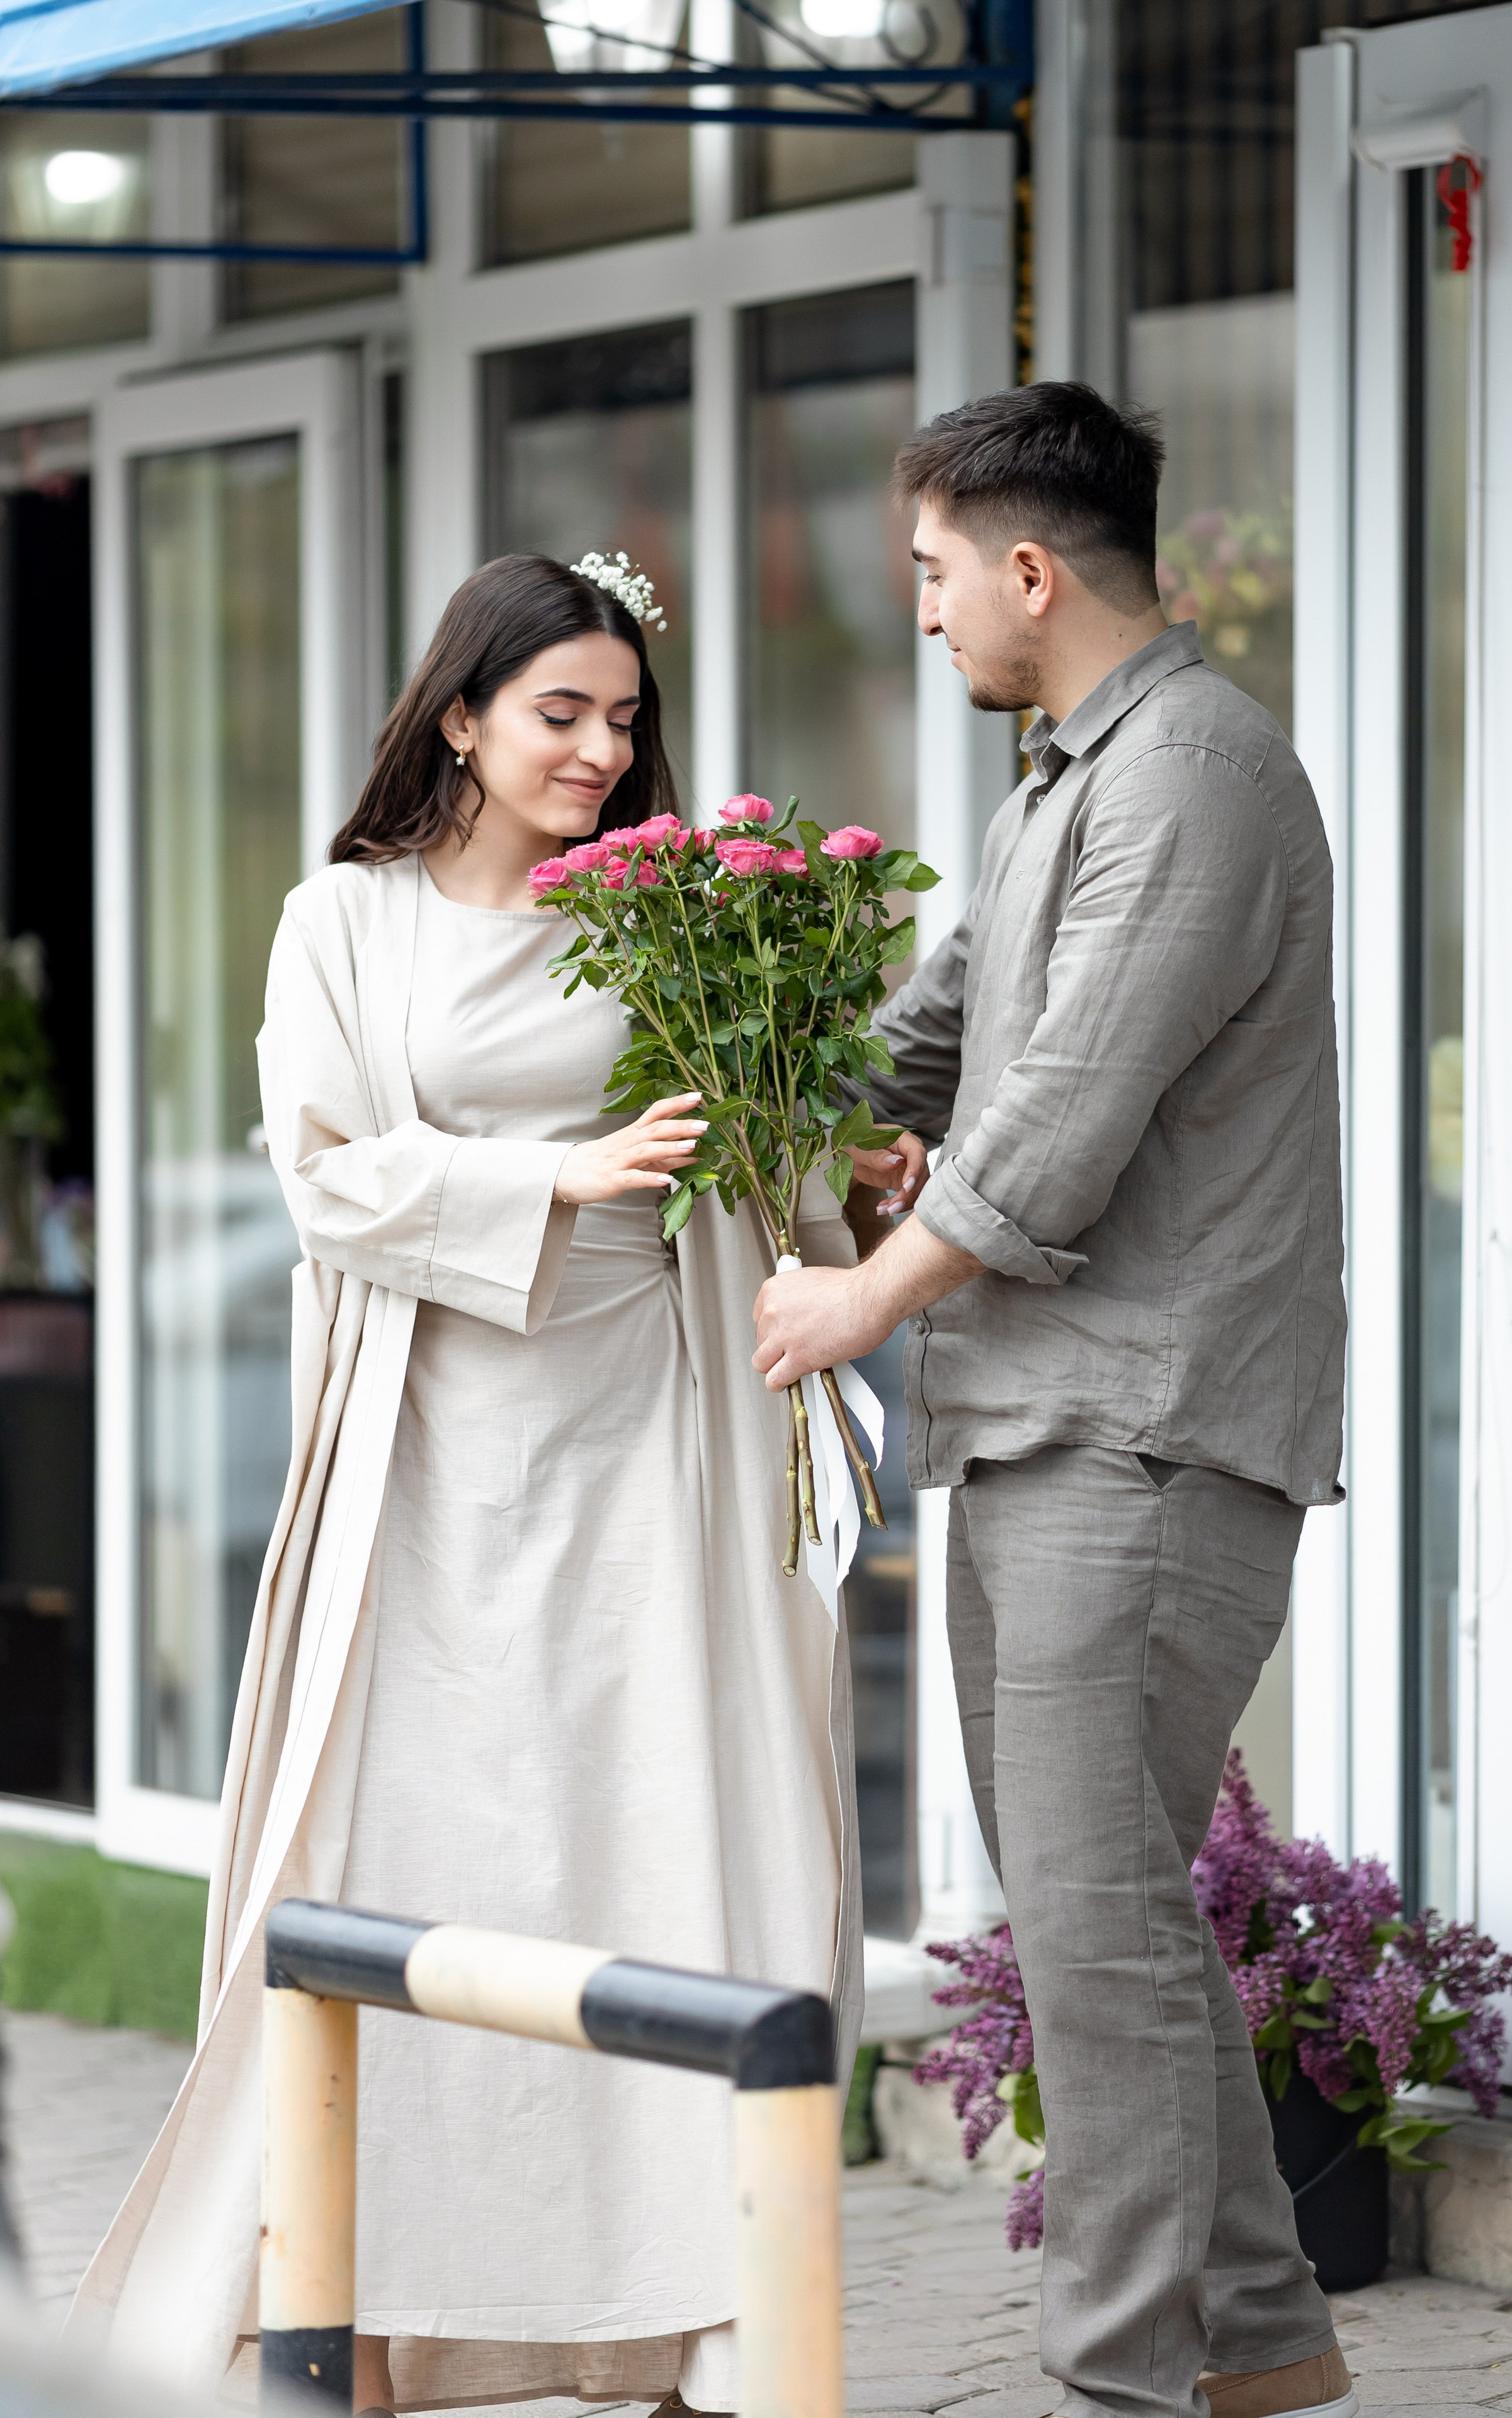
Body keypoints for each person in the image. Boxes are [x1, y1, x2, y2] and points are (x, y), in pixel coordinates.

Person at [72, 553, 862, 2416]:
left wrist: (855, 1184)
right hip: (424, 1453)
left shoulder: (681, 921)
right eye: (559, 712)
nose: (601, 751)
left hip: (649, 1438)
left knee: (664, 1848)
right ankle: (356, 2323)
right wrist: (551, 1179)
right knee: (401, 1857)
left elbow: (764, 1153)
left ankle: (696, 2328)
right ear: (460, 719)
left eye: (624, 719)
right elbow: (324, 1179)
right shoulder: (345, 922)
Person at [753, 384, 1353, 2418]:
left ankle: (1118, 2385)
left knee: (1097, 1948)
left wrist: (861, 1296)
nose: (920, 610)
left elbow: (1061, 1128)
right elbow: (934, 1056)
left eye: (932, 573)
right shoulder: (1053, 793)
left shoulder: (1195, 776)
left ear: (1027, 570)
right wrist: (765, 1106)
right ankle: (1259, 2348)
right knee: (1105, 1933)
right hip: (1033, 1426)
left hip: (1147, 1437)